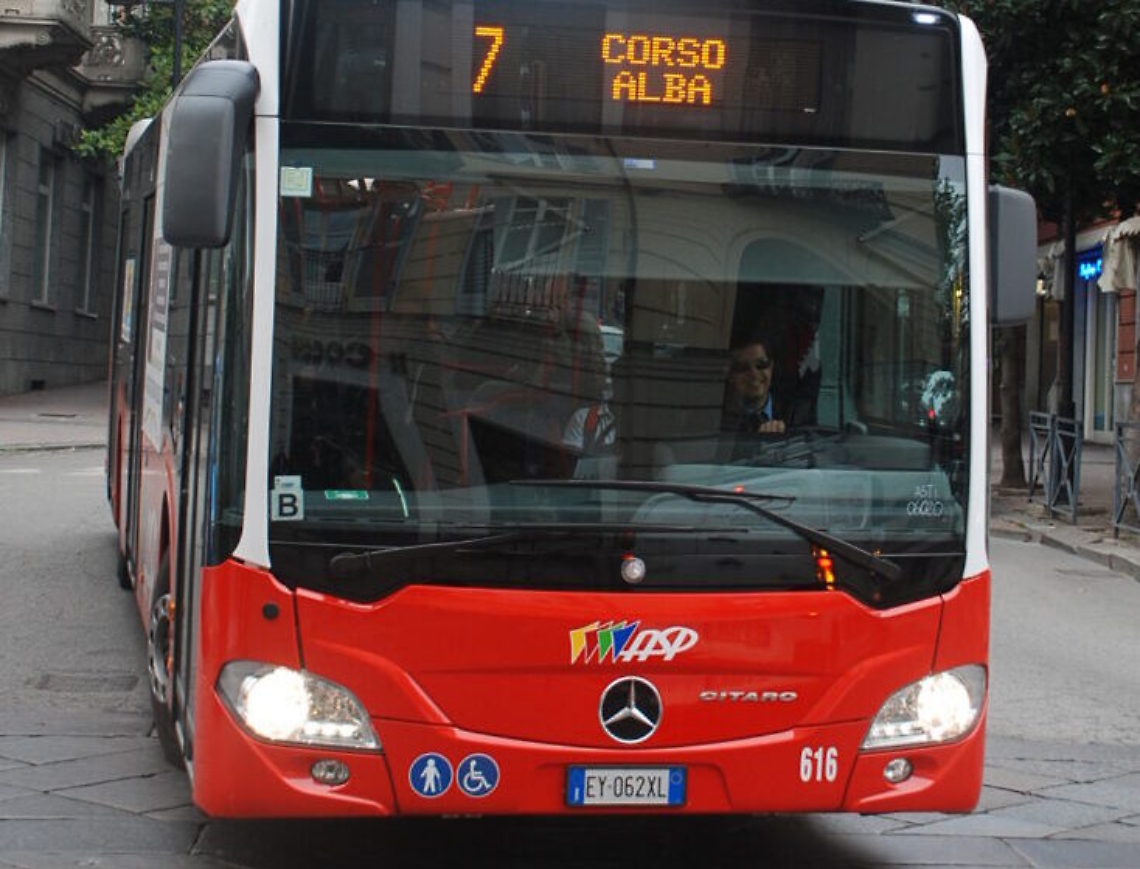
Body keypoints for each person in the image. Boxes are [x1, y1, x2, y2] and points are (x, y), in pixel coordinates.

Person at [724, 335, 786, 434]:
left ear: (772, 367)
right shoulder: (716, 419)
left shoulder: (794, 413)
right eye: (743, 367)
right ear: (730, 374)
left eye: (761, 365)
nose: (754, 374)